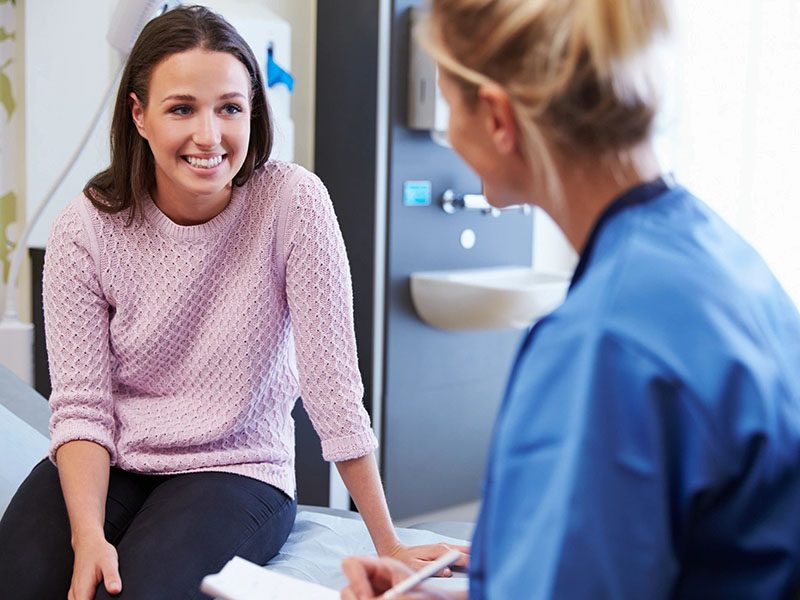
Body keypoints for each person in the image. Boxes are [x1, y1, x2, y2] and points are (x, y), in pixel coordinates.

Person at [0, 6, 466, 600]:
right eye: (181, 108)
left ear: (252, 110)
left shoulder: (293, 202)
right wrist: (87, 535)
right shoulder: (86, 228)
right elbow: (82, 408)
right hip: (115, 460)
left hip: (239, 468)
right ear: (138, 114)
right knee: (18, 580)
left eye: (230, 108)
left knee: (143, 590)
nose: (210, 136)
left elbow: (333, 387)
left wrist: (389, 542)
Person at [341, 0, 800, 598]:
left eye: (451, 106)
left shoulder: (601, 344)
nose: (449, 134)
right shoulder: (718, 253)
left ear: (500, 119)